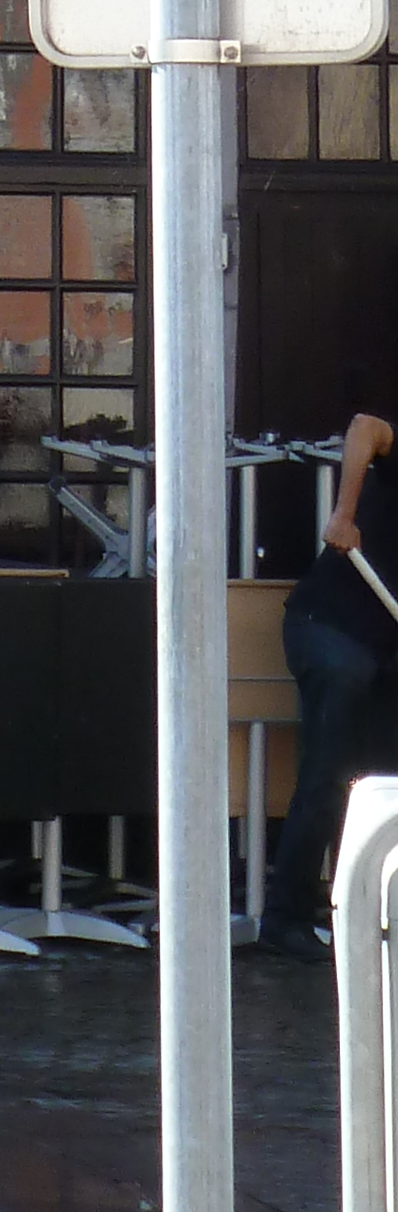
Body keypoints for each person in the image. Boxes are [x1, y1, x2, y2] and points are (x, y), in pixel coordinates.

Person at [264, 405, 398, 954]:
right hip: (329, 626)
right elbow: (365, 426)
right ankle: (284, 920)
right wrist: (345, 514)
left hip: (381, 651)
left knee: (382, 782)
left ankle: (368, 908)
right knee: (329, 773)